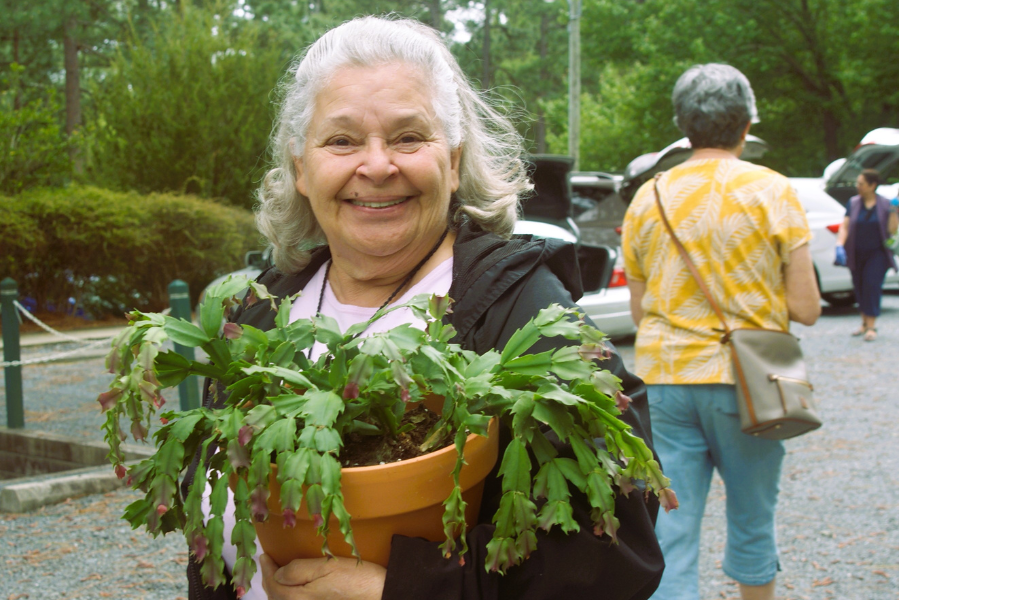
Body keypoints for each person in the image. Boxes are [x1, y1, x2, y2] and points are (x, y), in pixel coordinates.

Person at [181, 16, 663, 600]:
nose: (378, 165)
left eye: (409, 137)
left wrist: (404, 590)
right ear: (301, 168)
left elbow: (617, 557)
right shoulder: (259, 314)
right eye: (342, 140)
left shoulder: (526, 319)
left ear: (454, 161)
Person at [621, 64, 821, 600]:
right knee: (754, 520)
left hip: (665, 381)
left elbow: (641, 313)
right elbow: (806, 307)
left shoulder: (650, 197)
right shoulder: (774, 190)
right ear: (747, 123)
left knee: (673, 530)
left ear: (684, 125)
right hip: (754, 382)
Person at [834, 168, 898, 341]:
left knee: (872, 285)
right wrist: (839, 244)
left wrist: (894, 211)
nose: (858, 187)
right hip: (856, 252)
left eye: (861, 184)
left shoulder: (885, 204)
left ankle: (872, 326)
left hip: (877, 254)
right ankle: (863, 323)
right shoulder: (853, 203)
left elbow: (892, 230)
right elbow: (845, 225)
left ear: (872, 185)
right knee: (859, 286)